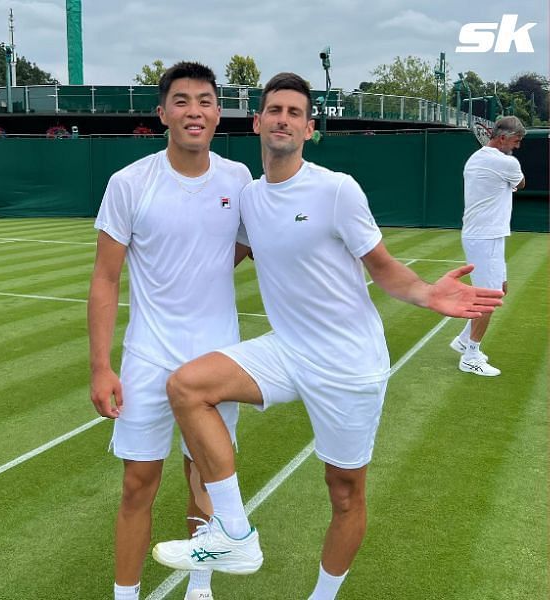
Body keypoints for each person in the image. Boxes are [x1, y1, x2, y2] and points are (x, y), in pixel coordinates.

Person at [149, 73, 503, 600]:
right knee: (187, 387)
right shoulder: (248, 197)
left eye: (295, 112)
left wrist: (428, 294)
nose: (283, 119)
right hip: (286, 350)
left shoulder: (336, 190)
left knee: (344, 493)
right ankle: (235, 534)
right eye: (275, 110)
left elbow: (380, 266)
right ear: (257, 122)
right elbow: (220, 260)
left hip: (348, 363)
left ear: (310, 128)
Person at [89, 61, 252, 600]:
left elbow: (253, 243)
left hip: (215, 358)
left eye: (204, 100)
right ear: (162, 113)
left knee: (205, 479)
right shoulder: (129, 182)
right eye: (181, 101)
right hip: (148, 356)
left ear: (218, 112)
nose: (194, 111)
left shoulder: (237, 179)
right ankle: (126, 595)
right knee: (138, 483)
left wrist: (205, 268)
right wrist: (101, 366)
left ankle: (199, 584)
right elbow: (106, 279)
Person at [453, 115, 525, 376]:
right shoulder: (506, 163)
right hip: (484, 237)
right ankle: (471, 355)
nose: (517, 146)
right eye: (516, 141)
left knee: (500, 289)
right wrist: (511, 179)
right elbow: (521, 183)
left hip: (485, 236)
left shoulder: (477, 158)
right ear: (503, 138)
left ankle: (462, 341)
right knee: (488, 297)